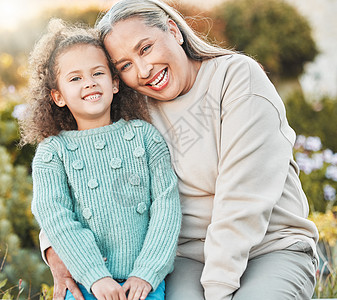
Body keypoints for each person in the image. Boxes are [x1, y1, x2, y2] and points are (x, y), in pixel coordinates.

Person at [41, 1, 320, 299]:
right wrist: (53, 247)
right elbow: (81, 174)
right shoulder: (136, 109)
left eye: (145, 48)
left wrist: (218, 290)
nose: (144, 70)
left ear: (174, 31)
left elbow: (243, 200)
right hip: (186, 259)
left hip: (270, 247)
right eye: (124, 66)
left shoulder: (236, 78)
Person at [21, 18, 181, 300]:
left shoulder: (146, 137)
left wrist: (147, 271)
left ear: (115, 83)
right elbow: (56, 218)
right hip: (86, 284)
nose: (90, 83)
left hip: (145, 283)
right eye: (75, 78)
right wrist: (95, 276)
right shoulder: (52, 153)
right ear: (58, 96)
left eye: (98, 73)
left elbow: (166, 206)